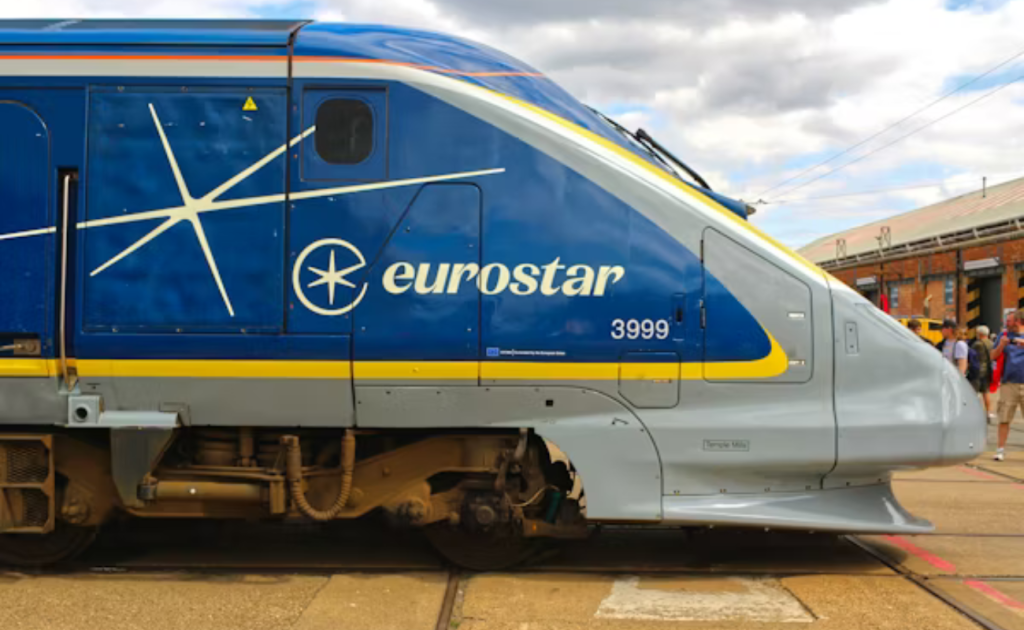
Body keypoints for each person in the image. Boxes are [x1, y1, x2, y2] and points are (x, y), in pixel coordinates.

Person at [991, 309, 1024, 462]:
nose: (1006, 324)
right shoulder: (1003, 336)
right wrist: (1001, 346)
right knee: (1004, 417)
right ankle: (1000, 450)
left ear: (1018, 321)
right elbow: (992, 356)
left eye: (1009, 321)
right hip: (1008, 383)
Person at [971, 325, 995, 421]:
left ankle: (975, 413)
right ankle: (988, 413)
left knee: (973, 393)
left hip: (977, 371)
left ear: (980, 334)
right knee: (986, 393)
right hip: (988, 371)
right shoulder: (992, 343)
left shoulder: (977, 344)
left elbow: (972, 356)